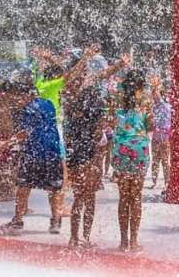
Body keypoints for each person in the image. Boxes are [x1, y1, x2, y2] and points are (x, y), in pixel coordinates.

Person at [1, 73, 64, 235]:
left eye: (19, 98)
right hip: (53, 151)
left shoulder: (28, 109)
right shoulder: (48, 103)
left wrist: (5, 143)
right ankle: (55, 221)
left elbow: (25, 132)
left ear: (27, 95)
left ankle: (17, 221)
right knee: (53, 187)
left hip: (34, 153)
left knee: (23, 186)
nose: (18, 101)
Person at [111, 70, 152, 252]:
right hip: (139, 151)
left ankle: (123, 241)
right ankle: (133, 241)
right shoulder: (145, 100)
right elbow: (150, 125)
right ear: (141, 85)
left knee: (123, 198)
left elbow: (112, 122)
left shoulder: (116, 100)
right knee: (135, 198)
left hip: (120, 150)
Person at [64, 83, 106, 250]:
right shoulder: (95, 117)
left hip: (73, 159)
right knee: (89, 200)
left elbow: (68, 139)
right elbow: (98, 140)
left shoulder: (72, 117)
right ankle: (85, 238)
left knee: (77, 199)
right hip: (88, 160)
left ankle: (73, 238)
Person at [150, 82, 171, 190]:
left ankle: (167, 182)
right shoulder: (154, 107)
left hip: (164, 136)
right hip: (155, 136)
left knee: (164, 161)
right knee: (155, 160)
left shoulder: (166, 106)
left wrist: (156, 88)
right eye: (153, 95)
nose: (155, 97)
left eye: (156, 95)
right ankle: (154, 182)